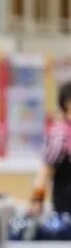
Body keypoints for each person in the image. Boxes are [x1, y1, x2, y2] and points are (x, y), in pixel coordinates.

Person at [29, 82, 71, 216]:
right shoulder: (59, 135)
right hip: (66, 210)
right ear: (68, 103)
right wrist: (37, 200)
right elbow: (46, 169)